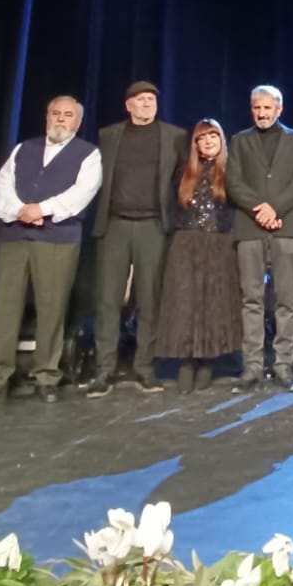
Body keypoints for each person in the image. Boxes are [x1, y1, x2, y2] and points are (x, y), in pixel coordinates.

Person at [0, 96, 102, 406]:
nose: (61, 119)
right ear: (47, 116)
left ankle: (46, 375)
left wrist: (42, 209)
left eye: (68, 115)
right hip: (15, 236)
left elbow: (82, 193)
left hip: (57, 239)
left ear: (78, 122)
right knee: (5, 308)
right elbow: (2, 185)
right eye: (55, 113)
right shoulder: (23, 148)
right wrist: (20, 211)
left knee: (51, 308)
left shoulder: (88, 154)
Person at [87, 81, 187, 397]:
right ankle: (104, 370)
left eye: (151, 100)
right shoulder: (109, 135)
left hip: (153, 226)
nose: (147, 104)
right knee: (108, 299)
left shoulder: (174, 136)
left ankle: (145, 368)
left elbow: (180, 181)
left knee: (150, 299)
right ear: (128, 105)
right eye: (140, 100)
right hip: (114, 223)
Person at [227, 85, 293, 392]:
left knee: (286, 300)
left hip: (286, 227)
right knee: (251, 299)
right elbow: (233, 182)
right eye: (257, 108)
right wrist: (258, 210)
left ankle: (283, 365)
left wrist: (274, 208)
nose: (262, 114)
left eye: (267, 108)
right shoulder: (239, 140)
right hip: (250, 228)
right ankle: (252, 366)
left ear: (279, 109)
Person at [155, 120, 243, 394]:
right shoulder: (183, 172)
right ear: (195, 143)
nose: (207, 142)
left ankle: (207, 362)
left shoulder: (231, 172)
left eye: (213, 137)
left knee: (214, 303)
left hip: (219, 242)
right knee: (185, 303)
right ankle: (186, 363)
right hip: (186, 241)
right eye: (202, 138)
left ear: (221, 141)